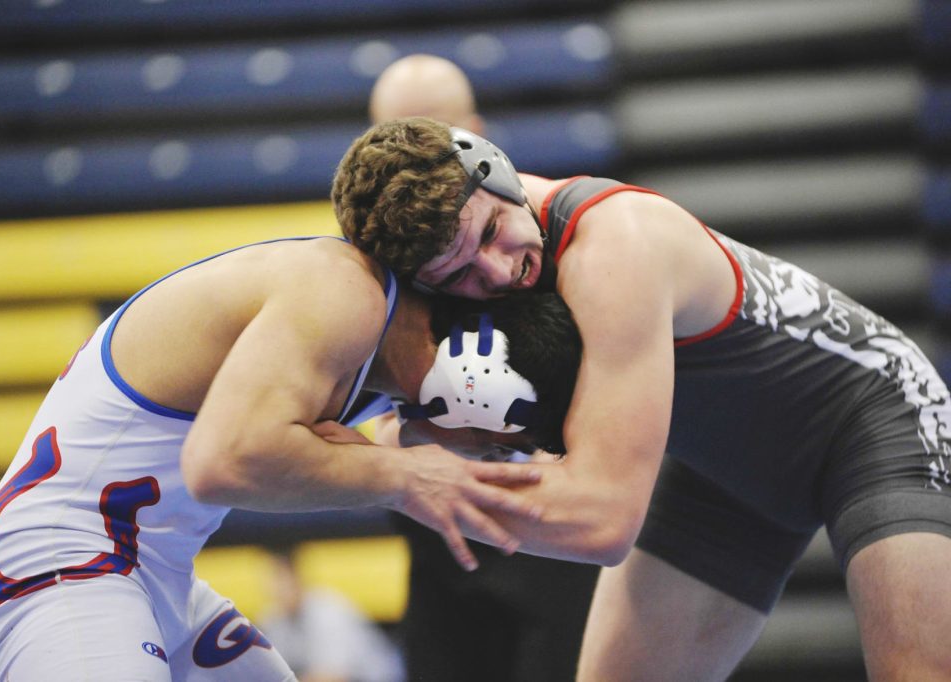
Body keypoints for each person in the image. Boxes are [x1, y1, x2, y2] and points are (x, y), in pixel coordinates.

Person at [331, 117, 951, 680]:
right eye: (459, 276)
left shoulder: (613, 243)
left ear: (500, 173)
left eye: (493, 232)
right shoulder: (459, 252)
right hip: (718, 473)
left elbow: (603, 520)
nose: (497, 273)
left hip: (874, 419)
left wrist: (399, 482)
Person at [0, 233, 582, 681]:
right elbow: (224, 462)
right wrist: (401, 476)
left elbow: (356, 455)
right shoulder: (343, 293)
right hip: (59, 563)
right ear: (479, 385)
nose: (483, 456)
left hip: (151, 576)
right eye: (497, 442)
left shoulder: (370, 344)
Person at [368, 54, 600, 682]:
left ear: (476, 135)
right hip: (441, 540)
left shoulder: (551, 237)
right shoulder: (376, 266)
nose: (413, 159)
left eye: (433, 137)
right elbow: (370, 421)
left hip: (553, 538)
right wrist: (407, 451)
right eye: (395, 137)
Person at [259, 550, 405, 682]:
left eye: (280, 580)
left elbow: (334, 677)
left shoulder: (328, 612)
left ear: (297, 579)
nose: (275, 589)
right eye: (271, 581)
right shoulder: (274, 618)